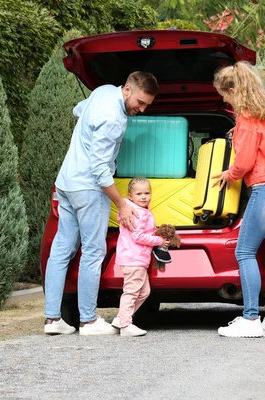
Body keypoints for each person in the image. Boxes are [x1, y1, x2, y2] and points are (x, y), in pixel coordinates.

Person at [44, 72, 159, 336]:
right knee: (93, 252)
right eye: (140, 102)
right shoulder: (114, 120)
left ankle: (52, 319)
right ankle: (88, 321)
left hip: (66, 182)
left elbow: (78, 110)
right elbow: (99, 169)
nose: (141, 109)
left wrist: (87, 132)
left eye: (146, 105)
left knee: (62, 249)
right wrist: (122, 202)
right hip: (89, 188)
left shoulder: (104, 90)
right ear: (128, 89)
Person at [211, 62, 265, 338]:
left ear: (234, 89)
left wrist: (229, 173)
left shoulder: (247, 118)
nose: (226, 101)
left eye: (226, 96)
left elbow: (245, 162)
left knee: (244, 251)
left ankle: (250, 319)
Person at [110, 178, 169, 337]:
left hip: (138, 259)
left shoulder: (142, 211)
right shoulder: (137, 213)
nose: (144, 197)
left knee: (144, 292)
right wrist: (159, 241)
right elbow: (138, 236)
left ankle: (121, 318)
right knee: (131, 291)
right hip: (133, 259)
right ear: (130, 196)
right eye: (139, 194)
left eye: (147, 193)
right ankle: (125, 325)